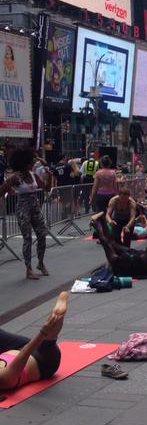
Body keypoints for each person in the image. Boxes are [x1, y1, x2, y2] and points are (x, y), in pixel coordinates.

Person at [0, 292, 68, 390]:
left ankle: (52, 325)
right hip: (42, 361)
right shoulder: (4, 380)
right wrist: (42, 334)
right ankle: (57, 316)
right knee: (47, 340)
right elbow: (24, 355)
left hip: (18, 346)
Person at [0, 148, 50, 280]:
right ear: (24, 163)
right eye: (30, 162)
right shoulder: (15, 177)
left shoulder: (33, 174)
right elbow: (1, 190)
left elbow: (47, 188)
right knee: (27, 239)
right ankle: (29, 269)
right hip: (23, 209)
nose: (33, 163)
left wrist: (49, 177)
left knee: (42, 235)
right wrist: (9, 190)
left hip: (35, 207)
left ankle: (40, 263)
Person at [92, 211, 147, 278]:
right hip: (136, 264)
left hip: (135, 264)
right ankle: (99, 222)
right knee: (109, 245)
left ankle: (100, 221)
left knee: (110, 244)